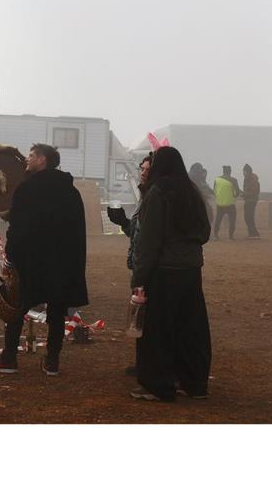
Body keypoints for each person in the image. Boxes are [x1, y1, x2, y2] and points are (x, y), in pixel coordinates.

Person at [0, 143, 88, 378]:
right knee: (57, 311)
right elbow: (76, 231)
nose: (27, 160)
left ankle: (9, 358)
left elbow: (18, 228)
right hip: (61, 263)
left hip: (30, 261)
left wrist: (10, 259)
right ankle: (52, 361)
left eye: (31, 156)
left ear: (43, 160)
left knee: (16, 307)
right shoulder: (70, 191)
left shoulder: (27, 188)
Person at [129, 145, 212, 402]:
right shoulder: (192, 192)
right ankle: (194, 383)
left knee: (157, 332)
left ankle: (158, 385)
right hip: (190, 271)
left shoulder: (157, 194)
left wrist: (139, 277)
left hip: (163, 273)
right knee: (191, 329)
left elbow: (149, 241)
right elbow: (205, 233)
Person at [109, 153, 153, 376]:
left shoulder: (155, 199)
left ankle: (148, 366)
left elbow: (149, 240)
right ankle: (142, 363)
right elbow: (136, 234)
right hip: (139, 265)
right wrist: (123, 222)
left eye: (147, 169)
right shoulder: (145, 198)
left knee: (149, 319)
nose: (142, 172)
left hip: (148, 269)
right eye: (142, 168)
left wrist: (141, 273)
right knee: (140, 319)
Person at [212, 165, 241, 240]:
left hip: (220, 203)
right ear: (230, 171)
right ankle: (231, 236)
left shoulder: (217, 179)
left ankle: (215, 235)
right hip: (230, 203)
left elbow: (214, 191)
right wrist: (234, 195)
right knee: (232, 220)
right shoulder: (233, 180)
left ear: (223, 171)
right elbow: (237, 192)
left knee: (218, 219)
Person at [242, 164, 261, 239]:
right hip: (247, 200)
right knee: (247, 217)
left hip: (251, 201)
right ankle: (252, 233)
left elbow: (254, 192)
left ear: (248, 171)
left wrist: (245, 194)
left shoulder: (253, 180)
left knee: (249, 217)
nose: (243, 173)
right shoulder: (246, 179)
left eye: (244, 171)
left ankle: (254, 233)